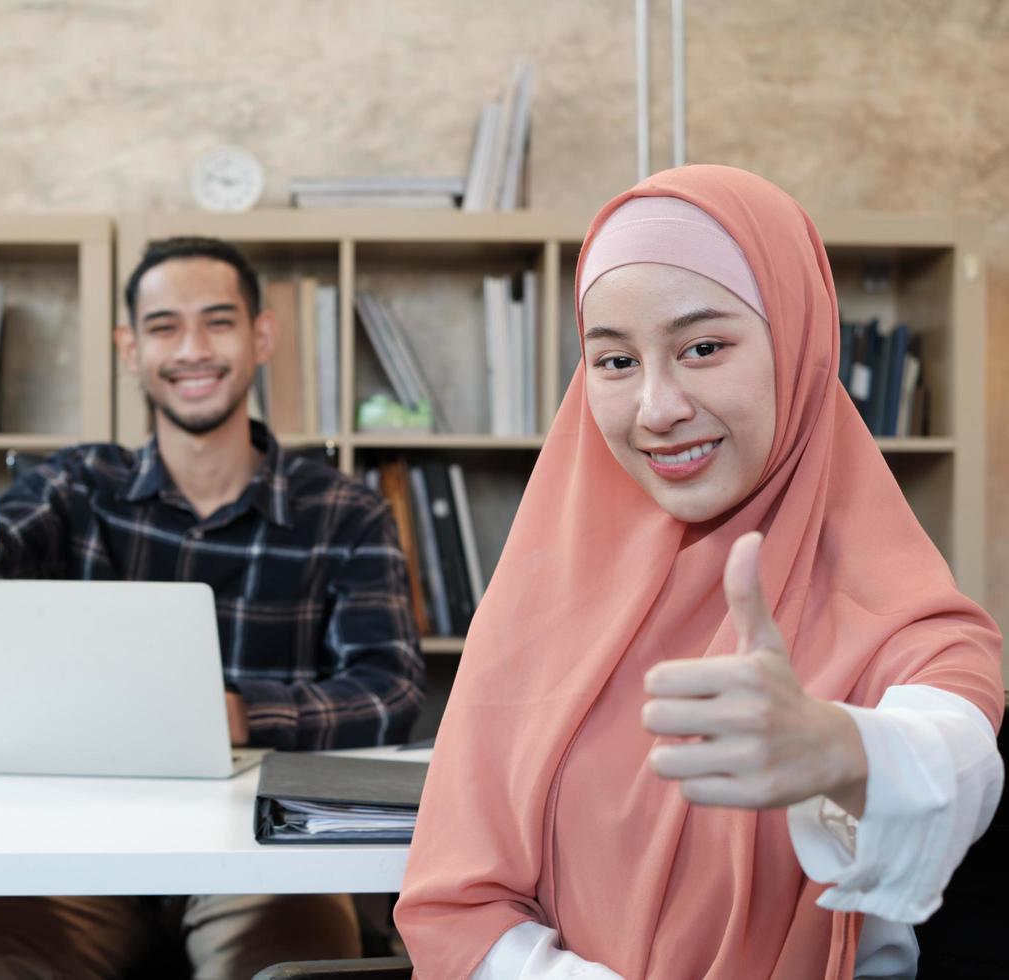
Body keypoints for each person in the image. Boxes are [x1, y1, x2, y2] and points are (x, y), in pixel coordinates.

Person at [393, 165, 1004, 979]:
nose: (656, 407)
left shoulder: (912, 624)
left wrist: (839, 749)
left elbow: (958, 757)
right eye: (614, 362)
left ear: (798, 342)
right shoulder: (534, 606)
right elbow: (458, 904)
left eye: (704, 347)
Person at [0, 236, 425, 979]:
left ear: (261, 336)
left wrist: (239, 714)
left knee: (290, 961)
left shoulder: (346, 512)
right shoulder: (76, 485)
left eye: (217, 322)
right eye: (163, 327)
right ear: (129, 347)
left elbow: (390, 689)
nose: (192, 350)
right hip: (81, 844)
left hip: (260, 846)